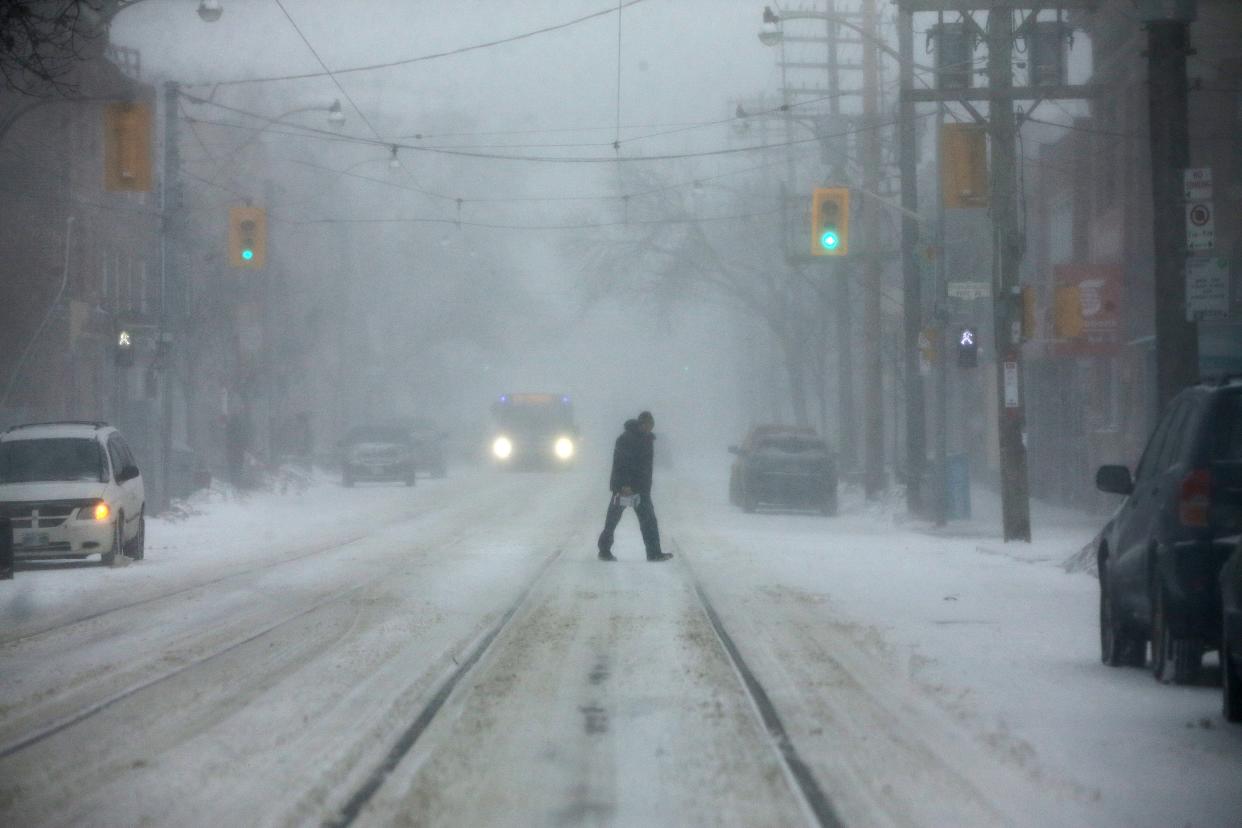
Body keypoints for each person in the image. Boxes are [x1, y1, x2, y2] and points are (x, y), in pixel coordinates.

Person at [598, 411, 672, 562]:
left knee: (649, 521)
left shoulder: (647, 440)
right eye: (647, 424)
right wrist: (624, 484)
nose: (650, 428)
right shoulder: (626, 439)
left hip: (641, 489)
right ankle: (604, 550)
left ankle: (654, 553)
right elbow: (621, 463)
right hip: (624, 489)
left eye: (651, 425)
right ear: (641, 423)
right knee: (612, 520)